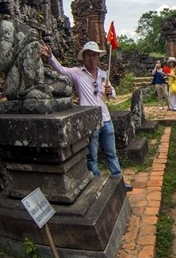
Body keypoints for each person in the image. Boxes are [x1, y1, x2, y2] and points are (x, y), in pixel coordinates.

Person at [40, 40, 132, 191]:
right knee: (92, 156)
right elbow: (61, 70)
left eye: (95, 55)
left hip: (106, 118)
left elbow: (112, 93)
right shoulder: (77, 73)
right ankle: (97, 184)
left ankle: (118, 180)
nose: (92, 58)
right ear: (84, 57)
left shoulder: (103, 75)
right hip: (89, 121)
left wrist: (111, 92)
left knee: (111, 154)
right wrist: (50, 57)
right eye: (89, 55)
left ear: (98, 57)